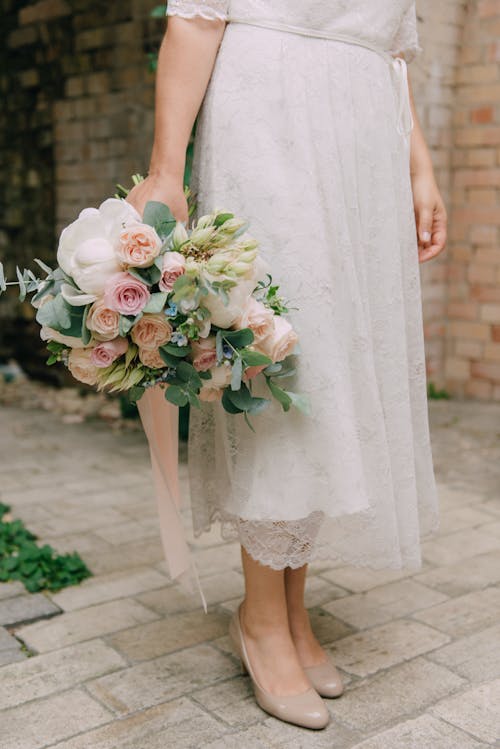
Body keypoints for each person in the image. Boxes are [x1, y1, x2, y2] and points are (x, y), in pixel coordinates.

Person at [126, 0, 447, 731]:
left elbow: (391, 51)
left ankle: (293, 610)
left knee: (330, 369)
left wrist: (419, 166)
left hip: (366, 136)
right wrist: (165, 172)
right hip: (271, 117)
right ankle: (262, 617)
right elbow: (199, 17)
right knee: (278, 356)